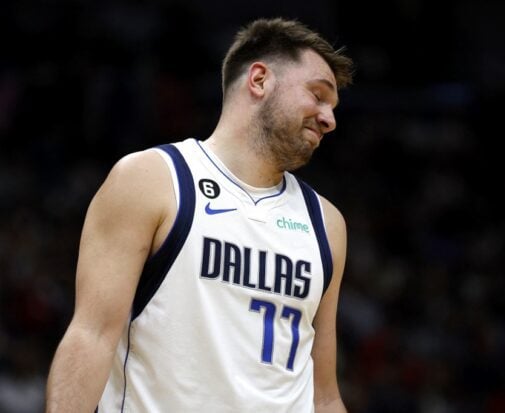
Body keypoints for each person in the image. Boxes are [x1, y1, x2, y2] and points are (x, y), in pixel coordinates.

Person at [45, 17, 353, 413]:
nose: (330, 119)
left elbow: (322, 395)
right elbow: (90, 337)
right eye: (318, 94)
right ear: (259, 80)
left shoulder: (326, 224)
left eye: (333, 106)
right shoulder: (152, 179)